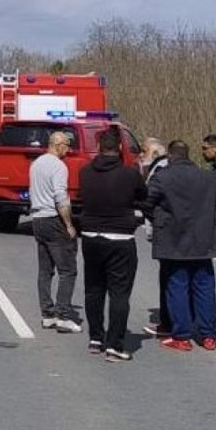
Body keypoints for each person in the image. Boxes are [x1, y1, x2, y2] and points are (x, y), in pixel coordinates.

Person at [143, 140, 216, 352]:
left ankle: (182, 336)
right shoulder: (208, 176)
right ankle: (208, 335)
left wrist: (159, 219)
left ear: (170, 156)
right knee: (204, 287)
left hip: (174, 240)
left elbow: (146, 202)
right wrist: (214, 214)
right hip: (203, 239)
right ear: (188, 155)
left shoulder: (163, 177)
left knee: (177, 287)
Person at [79, 127, 148, 361]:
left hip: (90, 235)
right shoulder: (129, 174)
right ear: (119, 148)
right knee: (119, 293)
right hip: (120, 236)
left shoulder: (85, 172)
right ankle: (115, 344)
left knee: (94, 289)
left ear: (99, 148)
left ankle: (96, 337)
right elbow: (143, 195)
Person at [29, 131, 81, 333]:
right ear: (58, 145)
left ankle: (47, 314)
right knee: (67, 270)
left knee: (45, 270)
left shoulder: (37, 164)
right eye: (67, 145)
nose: (69, 149)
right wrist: (69, 224)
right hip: (53, 219)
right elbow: (60, 197)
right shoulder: (58, 166)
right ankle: (63, 315)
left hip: (38, 218)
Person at [139, 138, 172, 338]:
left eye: (144, 151)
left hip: (165, 232)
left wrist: (155, 221)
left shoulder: (160, 170)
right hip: (173, 231)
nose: (140, 155)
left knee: (169, 278)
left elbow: (149, 202)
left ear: (156, 153)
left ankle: (168, 323)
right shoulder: (157, 168)